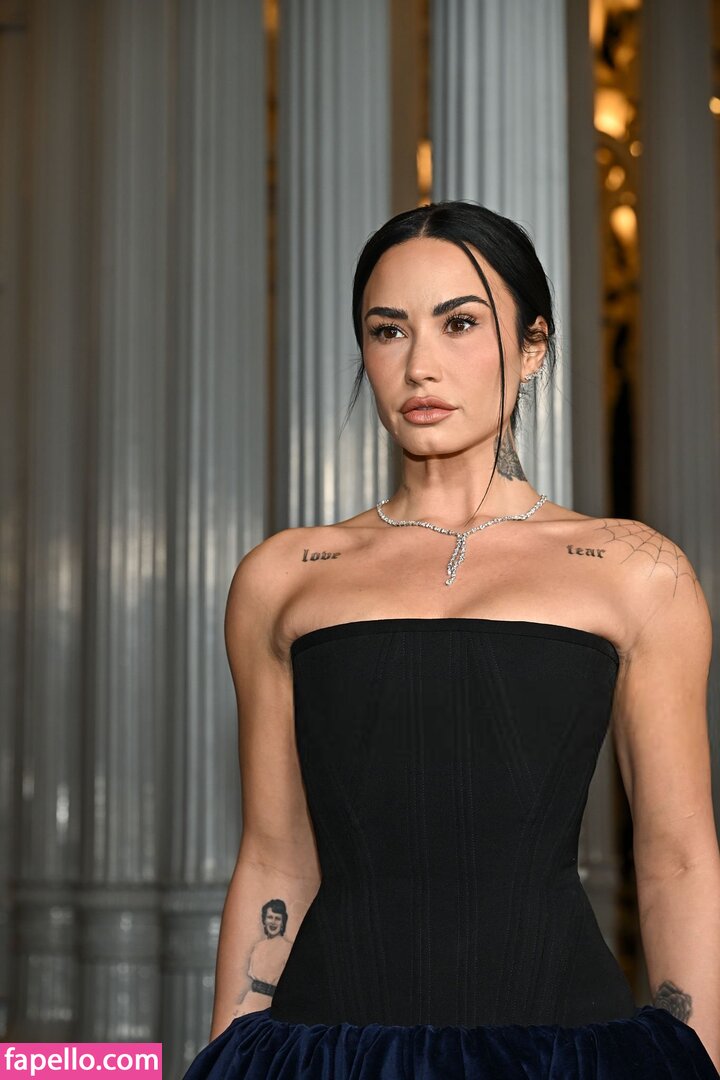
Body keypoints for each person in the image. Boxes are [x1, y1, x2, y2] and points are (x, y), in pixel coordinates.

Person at [183, 201, 720, 1078]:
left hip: (559, 1055)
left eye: (459, 323)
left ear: (534, 346)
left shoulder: (635, 571)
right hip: (326, 1053)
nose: (419, 365)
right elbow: (276, 859)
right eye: (388, 330)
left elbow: (678, 859)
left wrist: (699, 1063)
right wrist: (228, 1054)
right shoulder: (284, 576)